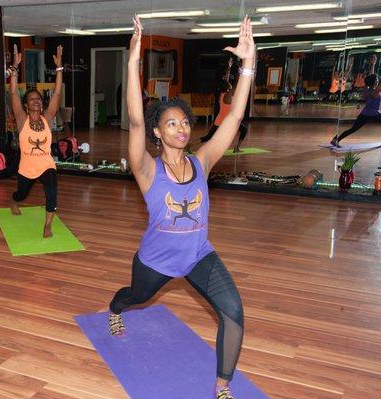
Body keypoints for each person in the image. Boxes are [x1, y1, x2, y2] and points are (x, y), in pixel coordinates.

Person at [108, 15, 255, 399]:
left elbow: (235, 117)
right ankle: (114, 308)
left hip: (196, 256)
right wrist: (132, 60)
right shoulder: (146, 170)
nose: (182, 128)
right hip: (155, 260)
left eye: (185, 122)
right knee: (134, 298)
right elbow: (136, 121)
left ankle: (222, 387)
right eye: (172, 124)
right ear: (159, 132)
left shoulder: (202, 161)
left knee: (234, 313)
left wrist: (248, 63)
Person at [8, 44, 64, 238]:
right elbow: (14, 93)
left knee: (51, 191)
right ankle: (14, 201)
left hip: (46, 164)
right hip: (26, 167)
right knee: (22, 194)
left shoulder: (47, 117)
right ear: (26, 104)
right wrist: (15, 67)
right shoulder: (21, 119)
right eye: (32, 99)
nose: (36, 101)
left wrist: (59, 68)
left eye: (39, 99)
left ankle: (47, 225)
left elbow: (57, 93)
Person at [330, 55, 381, 148]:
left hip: (364, 114)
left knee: (352, 129)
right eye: (377, 80)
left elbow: (370, 77)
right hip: (373, 114)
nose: (378, 80)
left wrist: (373, 64)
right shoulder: (375, 92)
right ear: (375, 82)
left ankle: (335, 139)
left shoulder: (367, 88)